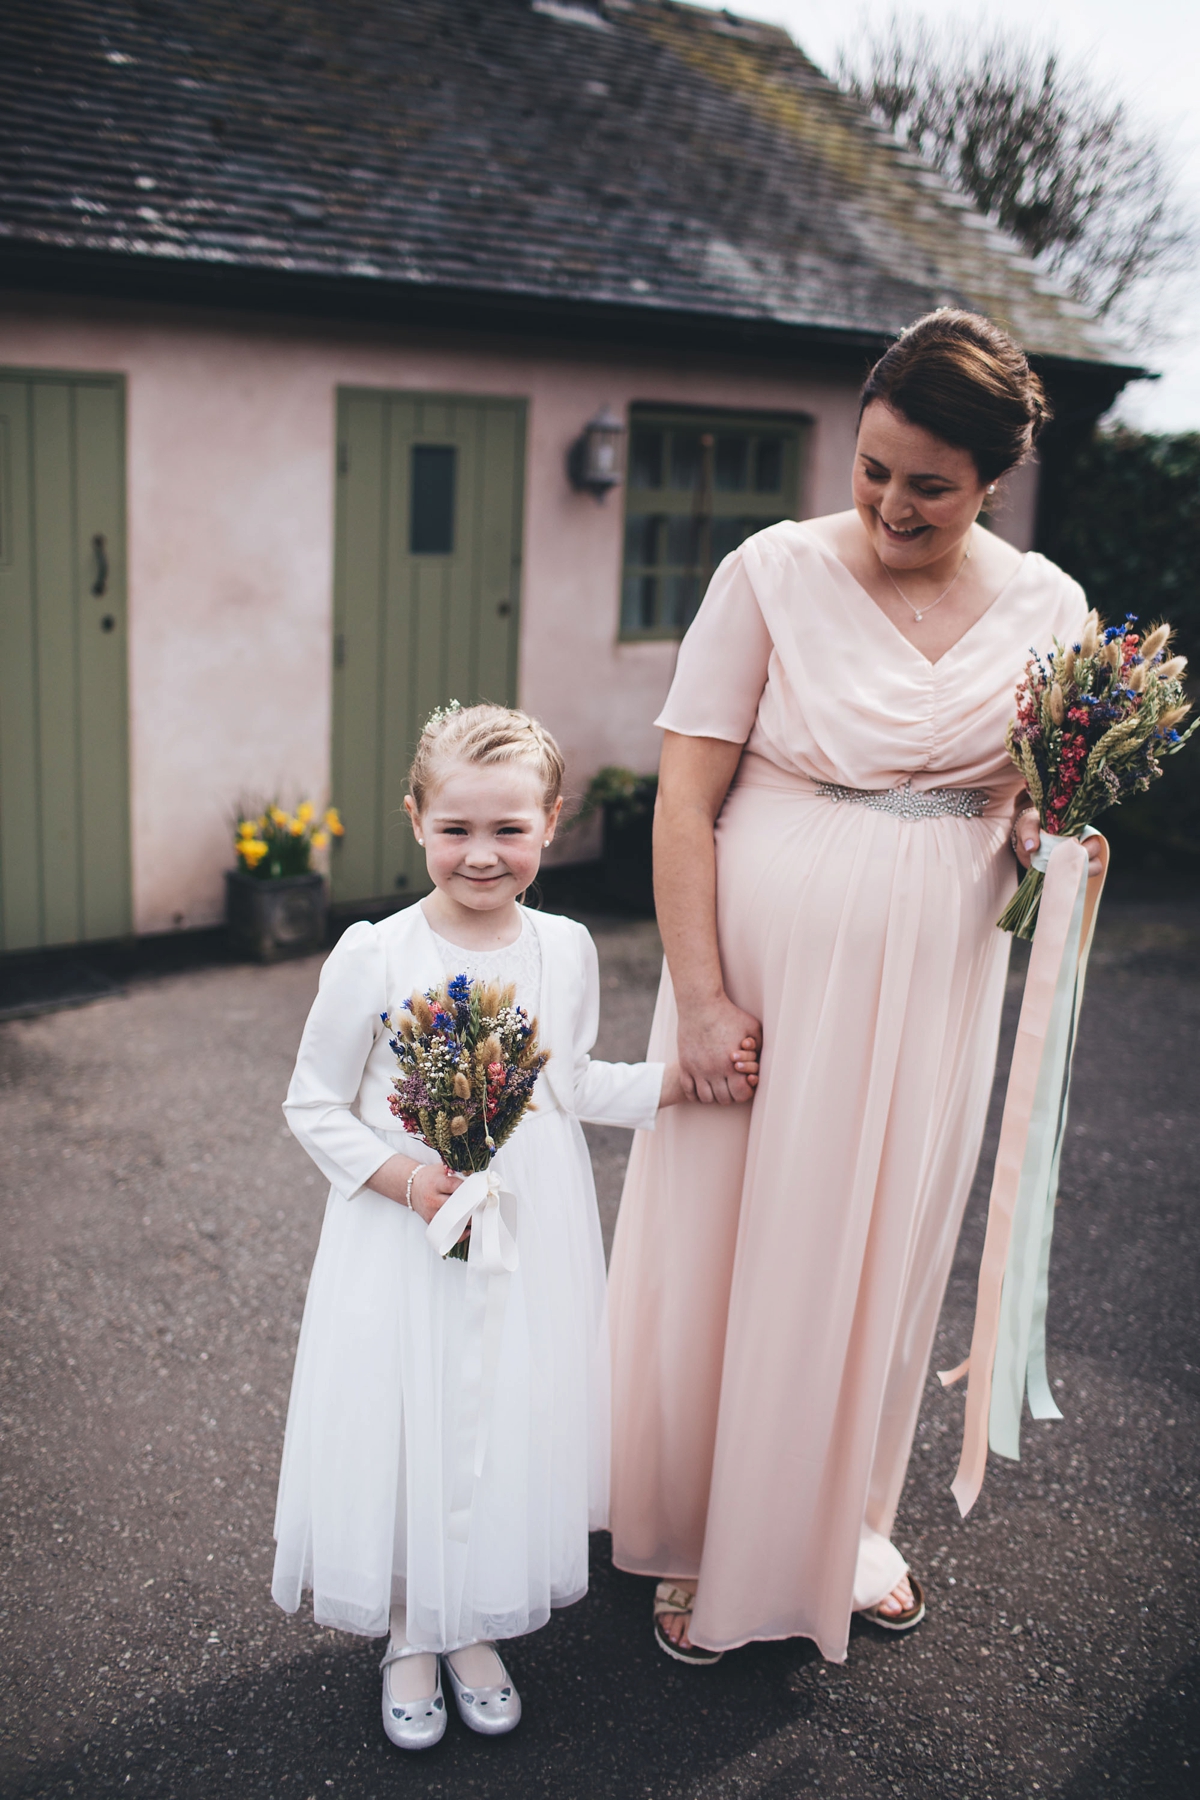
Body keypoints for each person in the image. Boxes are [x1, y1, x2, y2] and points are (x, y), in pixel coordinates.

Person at [607, 309, 1105, 1667]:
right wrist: (701, 1000)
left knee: (879, 1241)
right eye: (871, 467)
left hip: (937, 977)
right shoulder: (767, 571)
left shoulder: (1052, 608)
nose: (890, 503)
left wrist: (1042, 838)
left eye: (928, 485)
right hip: (761, 971)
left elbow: (1023, 803)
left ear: (992, 478)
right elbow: (684, 802)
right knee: (739, 1240)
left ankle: (831, 1519)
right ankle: (706, 1527)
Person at [271, 703, 757, 1749]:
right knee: (417, 1414)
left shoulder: (566, 948)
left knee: (499, 1413)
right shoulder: (375, 952)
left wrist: (679, 1079)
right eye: (455, 829)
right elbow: (311, 1102)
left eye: (508, 830)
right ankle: (411, 1627)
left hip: (532, 1225)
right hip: (405, 1229)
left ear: (552, 823)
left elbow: (568, 1083)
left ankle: (472, 1620)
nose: (481, 855)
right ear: (413, 821)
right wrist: (405, 1180)